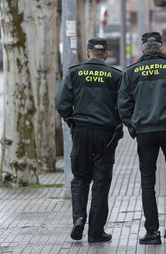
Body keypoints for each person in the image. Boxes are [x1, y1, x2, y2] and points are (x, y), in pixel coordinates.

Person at [118, 32, 166, 245]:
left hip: (145, 132)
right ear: (160, 48)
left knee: (147, 181)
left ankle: (152, 232)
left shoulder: (131, 72)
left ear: (143, 49)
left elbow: (123, 104)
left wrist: (134, 128)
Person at [55, 37, 122, 243]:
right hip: (105, 134)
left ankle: (79, 219)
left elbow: (61, 101)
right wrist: (118, 124)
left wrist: (70, 120)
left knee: (81, 178)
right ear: (107, 54)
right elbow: (124, 104)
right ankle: (96, 232)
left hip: (81, 131)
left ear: (87, 53)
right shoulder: (115, 75)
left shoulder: (74, 73)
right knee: (101, 182)